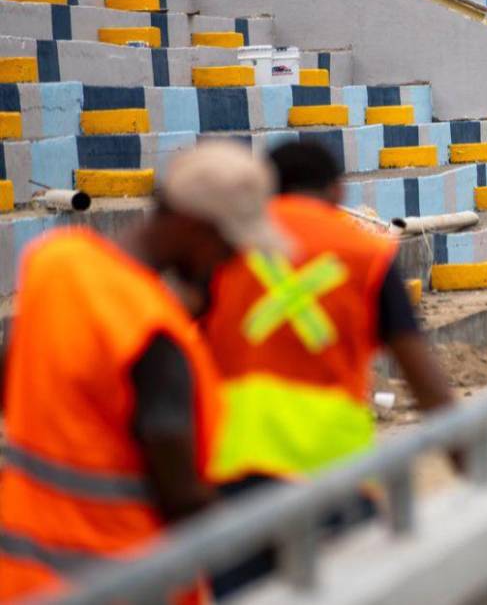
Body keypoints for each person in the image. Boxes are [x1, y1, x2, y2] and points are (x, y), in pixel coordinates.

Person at [0, 141, 281, 601]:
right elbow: (182, 499)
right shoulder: (153, 333)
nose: (233, 260)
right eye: (229, 244)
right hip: (129, 582)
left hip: (27, 580)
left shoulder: (54, 262)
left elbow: (14, 380)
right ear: (194, 226)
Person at [203, 141, 457, 596]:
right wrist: (471, 463)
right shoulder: (366, 254)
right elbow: (424, 379)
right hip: (331, 475)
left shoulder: (225, 251)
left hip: (234, 473)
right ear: (337, 192)